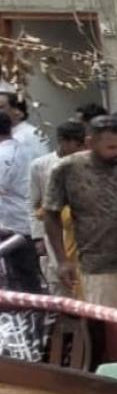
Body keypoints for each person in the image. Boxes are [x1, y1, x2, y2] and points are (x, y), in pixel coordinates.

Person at [44, 114, 117, 313]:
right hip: (100, 268)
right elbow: (51, 214)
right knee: (114, 331)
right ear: (90, 143)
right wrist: (62, 261)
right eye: (111, 148)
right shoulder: (66, 169)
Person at [30, 121, 86, 296]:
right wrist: (38, 237)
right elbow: (33, 202)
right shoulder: (41, 165)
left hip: (82, 231)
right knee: (59, 281)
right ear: (63, 141)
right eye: (77, 145)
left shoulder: (86, 162)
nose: (81, 149)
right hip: (55, 231)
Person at [0, 113, 41, 292]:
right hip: (31, 221)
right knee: (31, 275)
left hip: (14, 225)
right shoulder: (28, 150)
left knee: (22, 277)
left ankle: (33, 316)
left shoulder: (2, 156)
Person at [0, 92, 49, 163]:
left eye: (0, 107)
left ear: (17, 111)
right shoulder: (4, 133)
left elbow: (41, 165)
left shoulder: (33, 134)